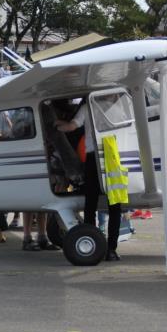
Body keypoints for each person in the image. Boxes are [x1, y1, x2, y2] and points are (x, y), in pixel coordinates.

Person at [56, 99, 124, 261]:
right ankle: (111, 250)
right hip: (114, 157)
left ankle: (92, 243)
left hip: (94, 158)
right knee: (115, 206)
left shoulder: (88, 107)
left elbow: (72, 126)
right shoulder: (119, 106)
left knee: (90, 203)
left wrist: (57, 126)